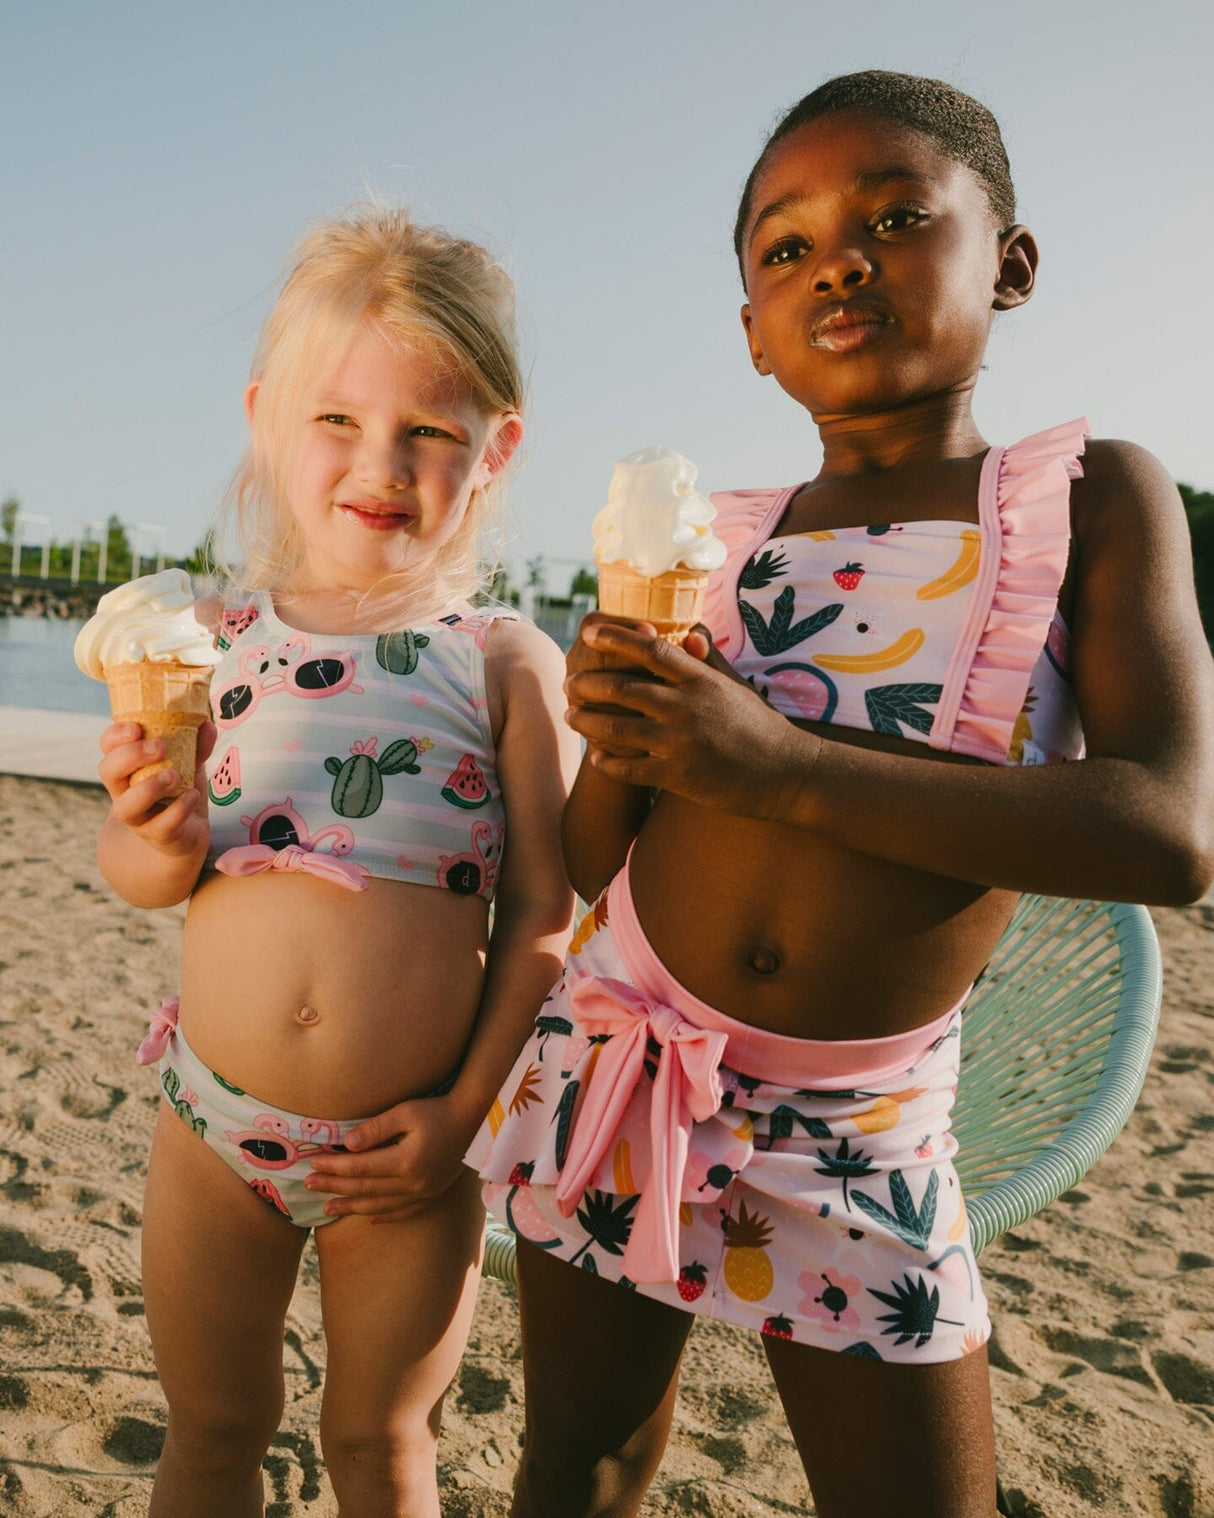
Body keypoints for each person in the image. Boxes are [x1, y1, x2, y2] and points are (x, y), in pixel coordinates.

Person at [468, 71, 1214, 1517]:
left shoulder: (1083, 501)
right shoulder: (712, 549)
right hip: (623, 1061)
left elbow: (1168, 830)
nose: (840, 261)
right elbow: (588, 850)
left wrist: (776, 765)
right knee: (579, 1454)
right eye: (785, 247)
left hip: (856, 1120)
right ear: (750, 334)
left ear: (1009, 263)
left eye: (893, 216)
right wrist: (627, 727)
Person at [92, 207, 578, 1518]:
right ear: (266, 417)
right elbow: (140, 876)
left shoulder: (500, 661)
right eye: (338, 420)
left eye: (429, 428)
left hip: (409, 1156)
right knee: (210, 1432)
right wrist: (155, 831)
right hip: (213, 1132)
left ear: (494, 451)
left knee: (380, 1446)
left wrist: (463, 1115)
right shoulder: (204, 638)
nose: (383, 460)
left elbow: (544, 912)